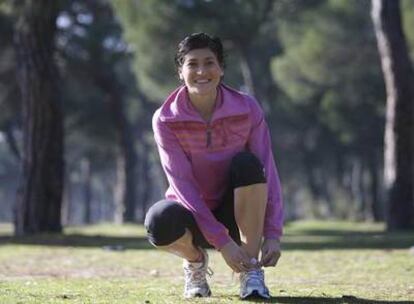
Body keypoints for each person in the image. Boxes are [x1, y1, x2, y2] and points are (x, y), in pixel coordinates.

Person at [144, 32, 283, 300]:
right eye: (192, 64)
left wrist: (274, 233)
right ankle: (195, 263)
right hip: (193, 215)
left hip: (236, 213)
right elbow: (182, 186)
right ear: (180, 72)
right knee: (158, 223)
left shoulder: (247, 109)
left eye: (209, 63)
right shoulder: (165, 119)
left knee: (249, 164)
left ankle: (250, 271)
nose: (201, 71)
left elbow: (267, 171)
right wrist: (222, 242)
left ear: (221, 68)